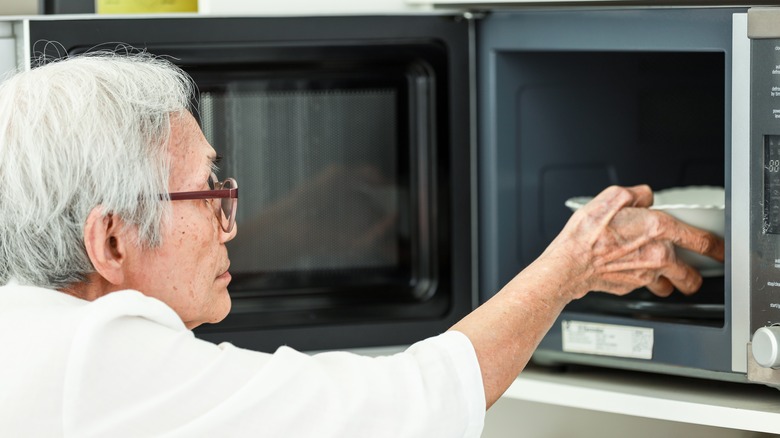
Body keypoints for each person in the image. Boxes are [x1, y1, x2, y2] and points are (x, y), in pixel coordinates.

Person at [0, 52, 724, 437]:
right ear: (112, 239)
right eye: (209, 193)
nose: (233, 223)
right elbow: (407, 405)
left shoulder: (30, 331)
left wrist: (298, 216)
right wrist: (575, 265)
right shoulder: (104, 358)